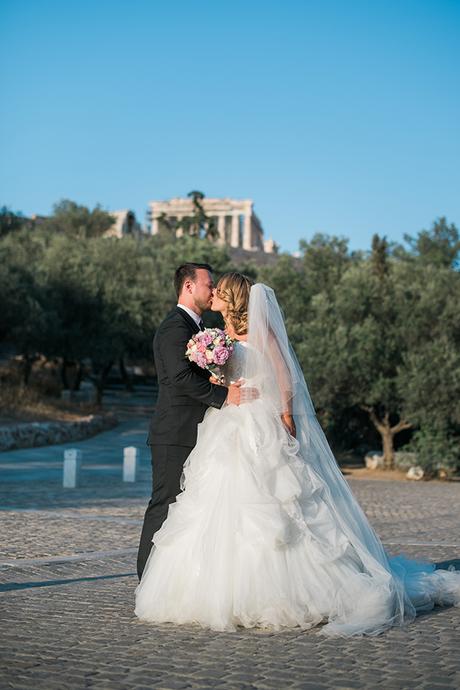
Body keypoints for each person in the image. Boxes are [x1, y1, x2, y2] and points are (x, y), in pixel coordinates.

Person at [135, 272, 460, 636]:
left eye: (219, 291)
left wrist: (286, 412)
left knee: (274, 498)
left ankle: (290, 589)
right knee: (216, 499)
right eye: (212, 288)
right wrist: (219, 382)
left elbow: (284, 372)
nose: (214, 295)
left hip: (259, 420)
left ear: (233, 299)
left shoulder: (260, 332)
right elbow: (216, 378)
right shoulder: (217, 336)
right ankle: (211, 587)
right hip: (229, 423)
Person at [136, 263, 249, 580]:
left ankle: (175, 579)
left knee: (185, 510)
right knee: (164, 505)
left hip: (195, 431)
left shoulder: (196, 329)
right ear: (188, 286)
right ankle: (147, 578)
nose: (213, 290)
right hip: (175, 432)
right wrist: (225, 396)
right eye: (208, 284)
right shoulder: (176, 327)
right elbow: (181, 378)